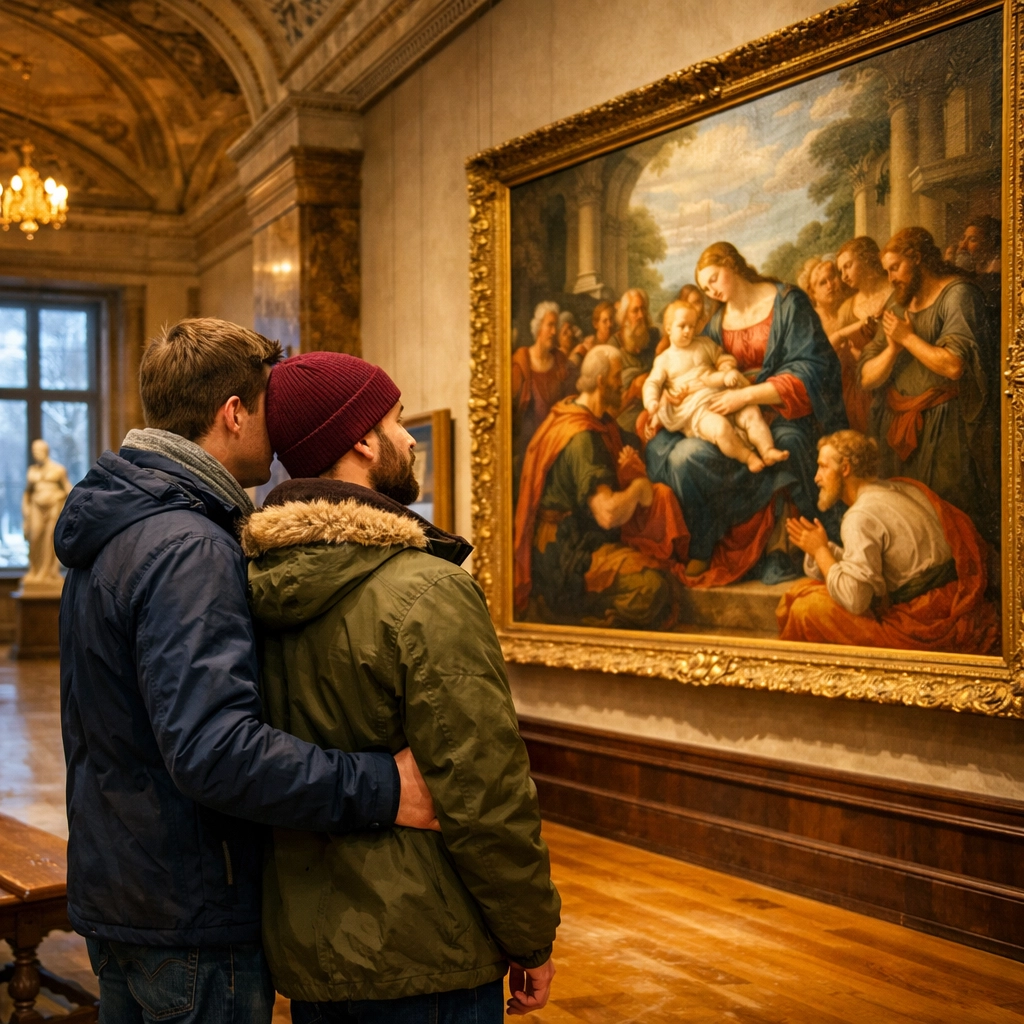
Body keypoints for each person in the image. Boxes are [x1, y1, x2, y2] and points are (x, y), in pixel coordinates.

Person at [54, 319, 437, 1024]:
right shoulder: (189, 544)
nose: (281, 433)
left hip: (126, 890)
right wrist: (383, 786)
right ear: (234, 413)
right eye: (269, 410)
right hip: (193, 907)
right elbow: (215, 751)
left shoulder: (124, 521)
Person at [242, 351, 561, 1022]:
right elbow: (484, 790)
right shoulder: (427, 590)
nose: (409, 437)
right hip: (424, 951)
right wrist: (530, 936)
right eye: (397, 419)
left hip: (311, 951)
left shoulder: (253, 585)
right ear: (360, 439)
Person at [645, 241, 847, 580]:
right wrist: (666, 400)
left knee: (787, 441)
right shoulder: (715, 323)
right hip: (725, 412)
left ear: (731, 263)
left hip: (783, 410)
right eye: (705, 286)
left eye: (713, 279)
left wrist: (746, 396)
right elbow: (689, 372)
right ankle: (705, 543)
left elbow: (816, 368)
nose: (711, 290)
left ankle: (780, 545)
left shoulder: (787, 303)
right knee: (682, 456)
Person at [778, 430, 999, 653]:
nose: (816, 477)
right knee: (808, 589)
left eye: (823, 467)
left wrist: (820, 552)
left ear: (845, 469)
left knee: (802, 608)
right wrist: (823, 548)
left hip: (922, 621)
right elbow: (877, 565)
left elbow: (856, 599)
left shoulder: (859, 516)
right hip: (953, 601)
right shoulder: (902, 489)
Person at [514, 344, 690, 622]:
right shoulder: (581, 437)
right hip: (566, 553)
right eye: (616, 378)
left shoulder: (586, 416)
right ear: (600, 380)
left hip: (583, 538)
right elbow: (607, 514)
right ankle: (586, 620)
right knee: (654, 588)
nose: (621, 385)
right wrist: (637, 490)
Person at [858, 227, 996, 540]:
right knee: (907, 520)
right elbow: (867, 377)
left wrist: (906, 338)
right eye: (886, 271)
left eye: (895, 268)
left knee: (949, 518)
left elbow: (954, 365)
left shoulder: (958, 295)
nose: (891, 278)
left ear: (918, 259)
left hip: (947, 429)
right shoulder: (898, 302)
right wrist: (893, 349)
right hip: (899, 429)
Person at [642, 298, 789, 474]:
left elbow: (722, 358)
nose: (688, 331)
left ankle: (767, 450)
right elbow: (652, 383)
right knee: (720, 429)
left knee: (751, 413)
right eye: (682, 326)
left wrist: (726, 369)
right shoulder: (664, 359)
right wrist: (651, 401)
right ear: (668, 328)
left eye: (692, 326)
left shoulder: (704, 344)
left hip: (721, 393)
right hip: (697, 409)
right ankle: (747, 457)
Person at [512, 301, 574, 493]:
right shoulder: (522, 362)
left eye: (556, 326)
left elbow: (571, 399)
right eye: (550, 325)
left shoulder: (561, 361)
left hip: (557, 445)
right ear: (538, 326)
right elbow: (511, 410)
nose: (554, 331)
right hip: (530, 447)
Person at [833, 237, 892, 433]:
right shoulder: (846, 310)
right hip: (864, 394)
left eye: (848, 266)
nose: (843, 276)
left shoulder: (898, 291)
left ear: (867, 259)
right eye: (841, 271)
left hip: (901, 383)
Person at [21, 438, 72, 593]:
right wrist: (26, 509)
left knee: (49, 540)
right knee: (35, 537)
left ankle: (47, 573)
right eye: (34, 452)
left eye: (39, 451)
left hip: (53, 509)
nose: (36, 454)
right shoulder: (32, 471)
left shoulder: (58, 470)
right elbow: (27, 493)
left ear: (46, 451)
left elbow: (68, 489)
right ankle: (35, 571)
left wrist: (60, 497)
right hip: (36, 507)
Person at [609, 287, 659, 433]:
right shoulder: (614, 346)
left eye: (643, 309)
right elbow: (609, 406)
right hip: (626, 416)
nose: (641, 315)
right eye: (635, 311)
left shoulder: (654, 336)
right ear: (624, 317)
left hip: (655, 405)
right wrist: (633, 390)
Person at [570, 300, 615, 366]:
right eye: (604, 321)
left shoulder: (615, 343)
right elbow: (570, 369)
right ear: (596, 324)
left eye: (611, 319)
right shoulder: (586, 346)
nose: (609, 325)